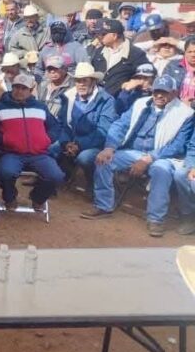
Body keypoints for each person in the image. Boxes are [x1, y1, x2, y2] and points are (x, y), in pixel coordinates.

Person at [82, 75, 194, 236]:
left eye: (164, 92)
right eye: (156, 91)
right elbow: (120, 125)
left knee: (161, 171)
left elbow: (178, 145)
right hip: (134, 152)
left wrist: (149, 158)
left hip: (162, 156)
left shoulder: (185, 113)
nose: (159, 95)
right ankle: (103, 206)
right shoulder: (141, 103)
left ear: (174, 93)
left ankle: (156, 219)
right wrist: (109, 147)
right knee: (104, 160)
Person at [0, 73, 65, 211]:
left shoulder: (40, 107)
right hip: (12, 153)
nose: (19, 91)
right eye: (16, 87)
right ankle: (10, 198)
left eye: (23, 88)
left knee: (57, 176)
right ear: (12, 88)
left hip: (39, 154)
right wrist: (4, 139)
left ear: (30, 90)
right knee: (6, 173)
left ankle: (38, 198)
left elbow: (55, 126)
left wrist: (47, 139)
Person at [54, 62, 117, 187]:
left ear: (93, 82)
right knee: (51, 149)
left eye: (85, 80)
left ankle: (94, 184)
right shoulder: (68, 97)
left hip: (95, 145)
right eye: (78, 81)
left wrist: (79, 144)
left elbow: (103, 131)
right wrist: (66, 142)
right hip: (71, 141)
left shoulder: (106, 100)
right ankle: (57, 178)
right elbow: (61, 124)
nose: (81, 84)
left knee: (85, 158)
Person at [88, 18, 147, 98]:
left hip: (122, 101)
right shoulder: (99, 52)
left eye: (103, 34)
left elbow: (146, 78)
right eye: (98, 34)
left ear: (114, 36)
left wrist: (133, 84)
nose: (99, 36)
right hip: (98, 100)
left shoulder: (135, 54)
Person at [162, 36, 195, 106]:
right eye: (189, 52)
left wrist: (192, 104)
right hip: (174, 106)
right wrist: (179, 102)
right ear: (185, 52)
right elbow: (163, 87)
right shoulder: (172, 66)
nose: (193, 55)